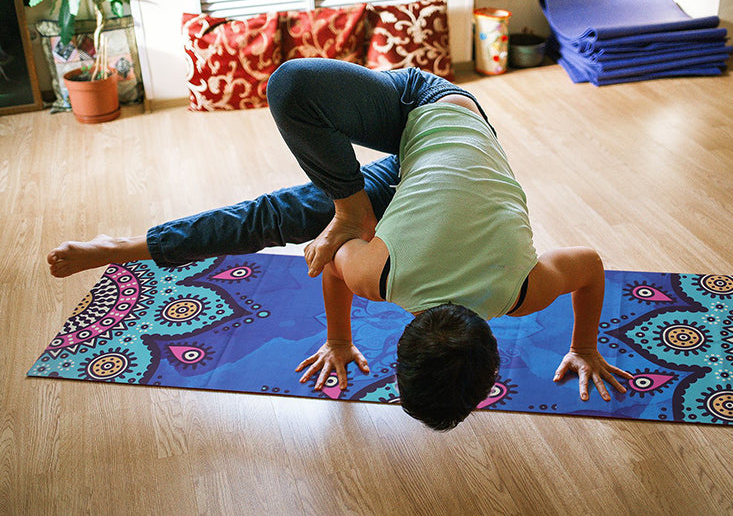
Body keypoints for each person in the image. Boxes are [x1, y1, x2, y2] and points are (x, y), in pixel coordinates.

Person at [48, 58, 632, 430]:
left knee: (284, 216)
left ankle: (123, 246)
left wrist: (583, 344)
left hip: (421, 181)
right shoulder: (382, 275)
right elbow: (329, 267)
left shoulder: (525, 291)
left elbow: (590, 267)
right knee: (293, 109)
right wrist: (337, 336)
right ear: (401, 340)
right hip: (428, 110)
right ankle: (351, 207)